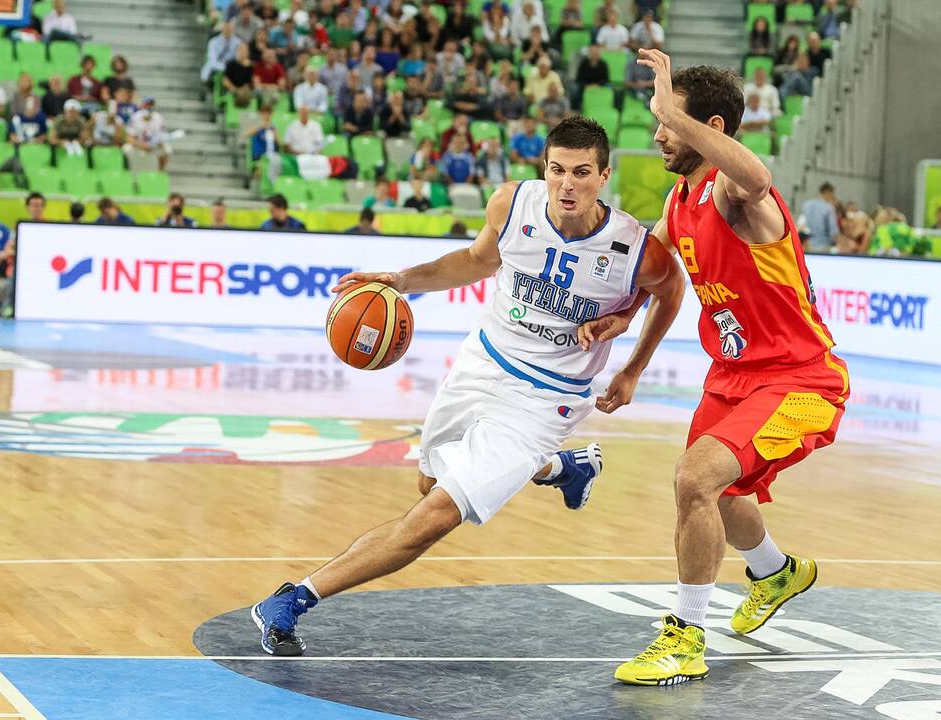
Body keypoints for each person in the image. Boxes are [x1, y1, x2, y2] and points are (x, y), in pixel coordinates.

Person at [249, 115, 685, 657]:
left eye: (581, 173)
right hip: (482, 362)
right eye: (556, 170)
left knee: (432, 518)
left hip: (546, 399)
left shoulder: (637, 251)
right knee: (429, 487)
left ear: (603, 176)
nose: (566, 185)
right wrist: (401, 281)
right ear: (542, 168)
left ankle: (293, 599)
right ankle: (565, 468)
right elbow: (478, 261)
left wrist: (632, 365)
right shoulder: (511, 204)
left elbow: (672, 292)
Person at [614, 50, 848, 686]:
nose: (659, 132)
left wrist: (677, 111)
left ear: (711, 129)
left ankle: (687, 639)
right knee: (721, 494)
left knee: (694, 479)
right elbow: (650, 270)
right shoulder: (680, 197)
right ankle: (776, 572)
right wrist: (622, 336)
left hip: (802, 379)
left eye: (669, 121)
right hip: (732, 376)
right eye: (658, 121)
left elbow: (756, 174)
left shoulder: (735, 192)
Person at [801, 182, 838, 251]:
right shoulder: (828, 207)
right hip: (823, 246)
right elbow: (833, 231)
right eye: (832, 195)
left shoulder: (806, 204)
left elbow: (801, 224)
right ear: (828, 193)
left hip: (806, 245)